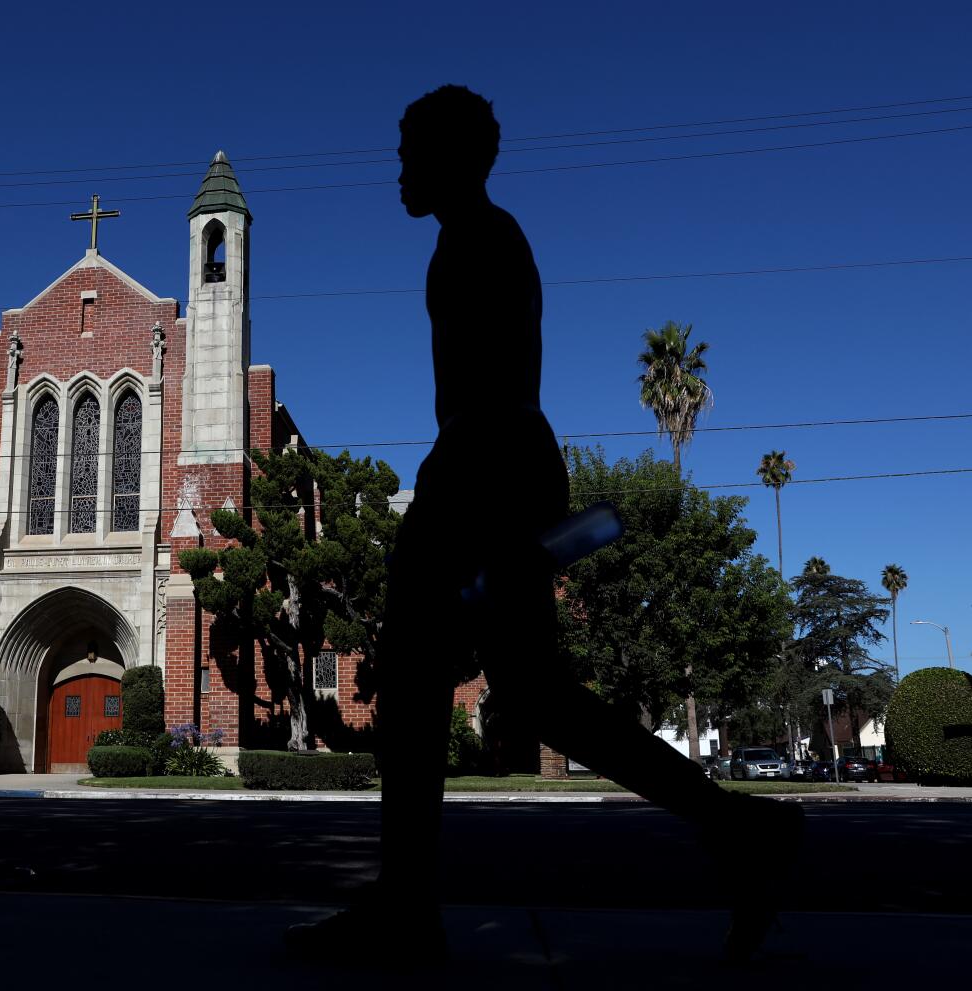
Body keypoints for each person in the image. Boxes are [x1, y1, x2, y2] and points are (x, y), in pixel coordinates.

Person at [286, 85, 803, 966]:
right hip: (495, 466)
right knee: (527, 692)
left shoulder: (481, 242)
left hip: (486, 469)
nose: (399, 168)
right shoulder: (467, 241)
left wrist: (468, 508)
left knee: (427, 679)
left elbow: (491, 395)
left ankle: (409, 909)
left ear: (455, 157)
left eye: (412, 151)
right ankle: (736, 826)